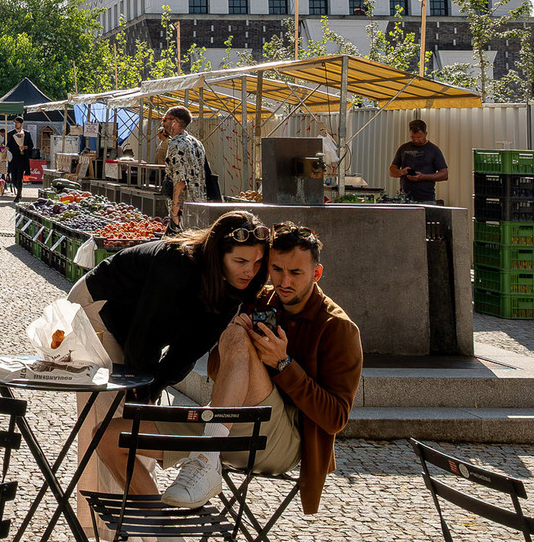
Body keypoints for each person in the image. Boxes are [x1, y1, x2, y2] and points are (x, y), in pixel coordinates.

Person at [98, 222, 363, 516]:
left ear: (317, 273)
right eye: (276, 270)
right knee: (107, 436)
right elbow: (214, 371)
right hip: (226, 420)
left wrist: (283, 365)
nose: (284, 281)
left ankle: (206, 456)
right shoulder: (260, 299)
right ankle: (164, 534)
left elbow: (336, 418)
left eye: (296, 273)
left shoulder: (338, 328)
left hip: (282, 440)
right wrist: (232, 334)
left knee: (237, 338)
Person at [69, 210, 270, 531]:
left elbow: (189, 350)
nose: (250, 271)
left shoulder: (234, 288)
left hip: (135, 331)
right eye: (241, 261)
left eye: (257, 263)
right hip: (97, 314)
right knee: (108, 418)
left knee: (136, 425)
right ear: (218, 255)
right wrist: (143, 388)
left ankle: (140, 527)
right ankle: (103, 532)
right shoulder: (177, 264)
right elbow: (144, 335)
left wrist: (156, 385)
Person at [161, 106, 206, 231]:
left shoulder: (175, 145)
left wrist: (175, 212)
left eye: (165, 119)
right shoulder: (196, 143)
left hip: (184, 210)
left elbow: (180, 181)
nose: (163, 123)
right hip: (200, 205)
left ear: (174, 122)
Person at [389, 118, 448, 203]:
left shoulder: (433, 150)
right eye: (413, 137)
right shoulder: (403, 148)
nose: (416, 140)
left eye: (419, 137)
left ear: (425, 133)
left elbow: (444, 174)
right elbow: (392, 171)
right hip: (405, 198)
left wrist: (423, 177)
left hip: (426, 198)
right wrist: (402, 172)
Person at [6, 116, 32, 202]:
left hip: (22, 159)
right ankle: (19, 192)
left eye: (17, 122)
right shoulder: (10, 133)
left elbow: (31, 145)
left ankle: (18, 195)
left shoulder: (27, 134)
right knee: (13, 179)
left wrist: (25, 147)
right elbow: (7, 144)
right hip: (13, 159)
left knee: (19, 178)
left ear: (22, 124)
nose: (16, 124)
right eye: (15, 122)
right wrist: (6, 148)